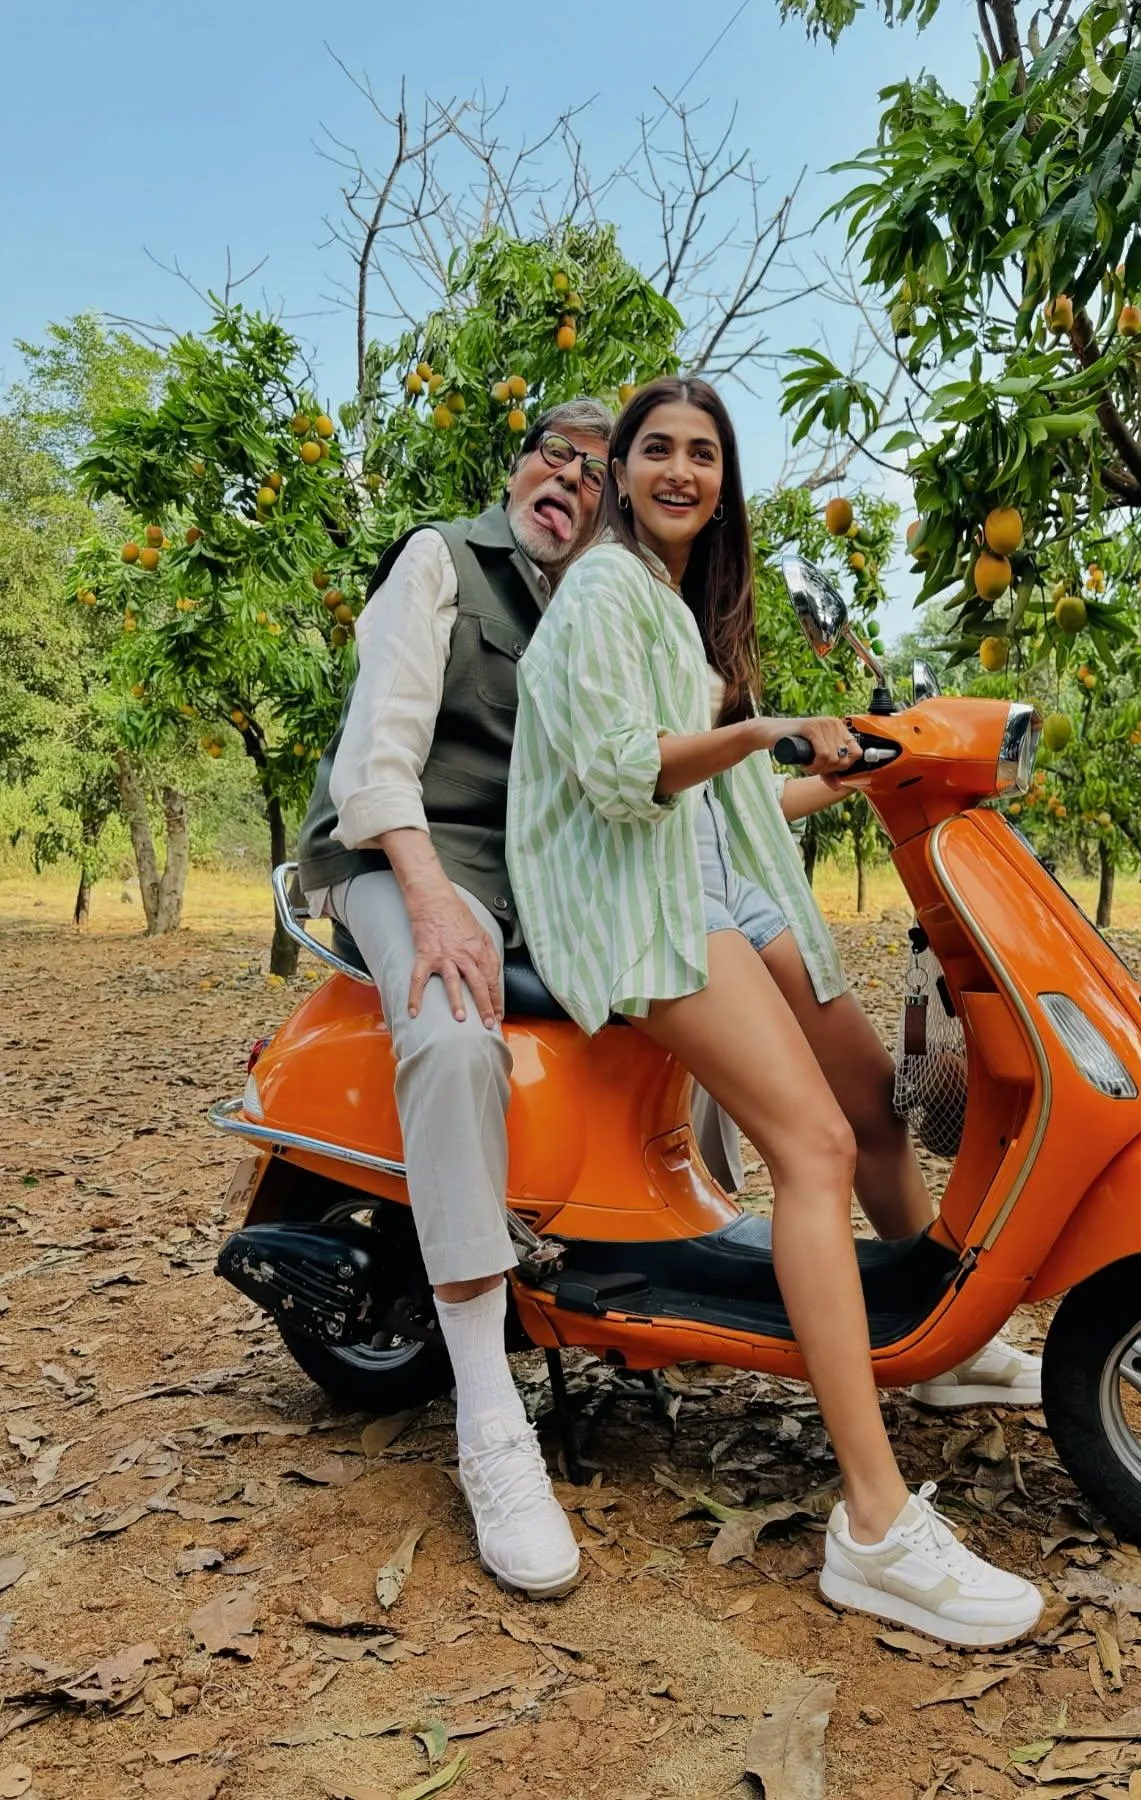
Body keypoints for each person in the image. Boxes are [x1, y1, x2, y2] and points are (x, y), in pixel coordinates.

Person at [508, 377, 1044, 1648]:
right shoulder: (599, 595)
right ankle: (873, 1524)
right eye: (657, 451)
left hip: (722, 887)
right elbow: (623, 775)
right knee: (807, 1149)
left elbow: (728, 804)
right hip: (640, 907)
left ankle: (945, 1343)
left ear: (723, 480)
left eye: (704, 452)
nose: (681, 470)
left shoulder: (680, 613)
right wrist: (761, 732)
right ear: (619, 473)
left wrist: (853, 768)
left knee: (869, 1101)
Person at [295, 399, 619, 1602]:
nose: (570, 483)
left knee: (695, 1004)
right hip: (402, 859)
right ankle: (489, 1415)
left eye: (595, 480)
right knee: (449, 1026)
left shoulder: (588, 613)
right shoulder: (443, 557)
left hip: (527, 890)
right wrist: (430, 903)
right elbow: (377, 758)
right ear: (518, 466)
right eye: (556, 458)